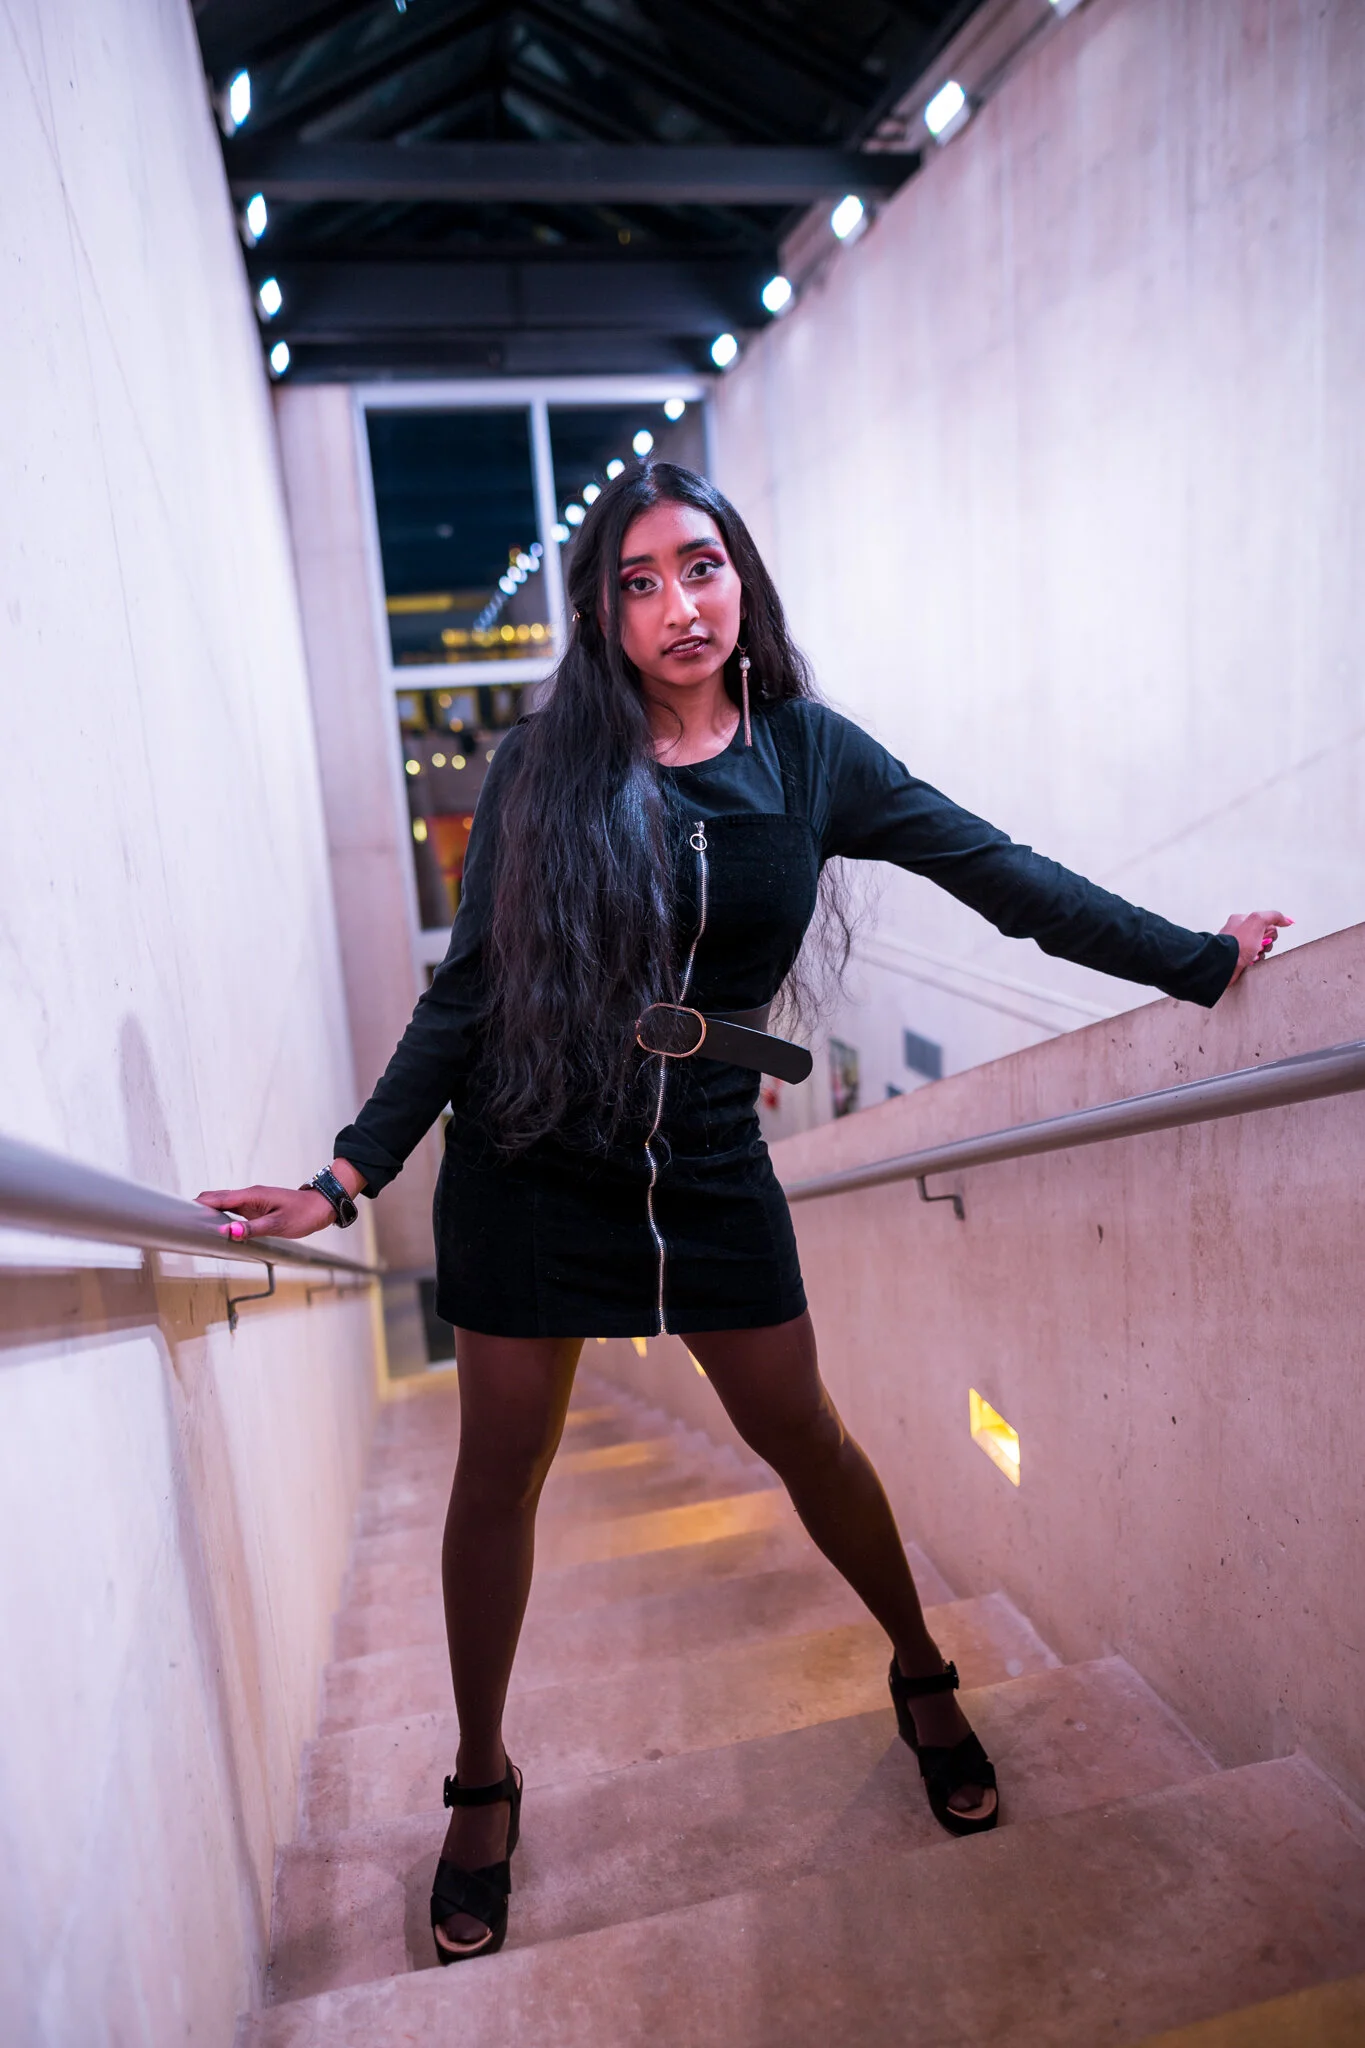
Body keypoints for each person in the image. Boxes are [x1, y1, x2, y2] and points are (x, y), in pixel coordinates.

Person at [198, 462, 1289, 1965]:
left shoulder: (810, 753)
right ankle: (481, 1780)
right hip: (528, 1161)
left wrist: (1199, 961)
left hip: (710, 1163)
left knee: (805, 1434)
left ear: (741, 578)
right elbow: (468, 995)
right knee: (497, 1475)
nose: (678, 606)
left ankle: (920, 1669)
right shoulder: (541, 766)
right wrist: (344, 1180)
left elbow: (1005, 878)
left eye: (699, 567)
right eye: (638, 582)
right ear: (602, 615)